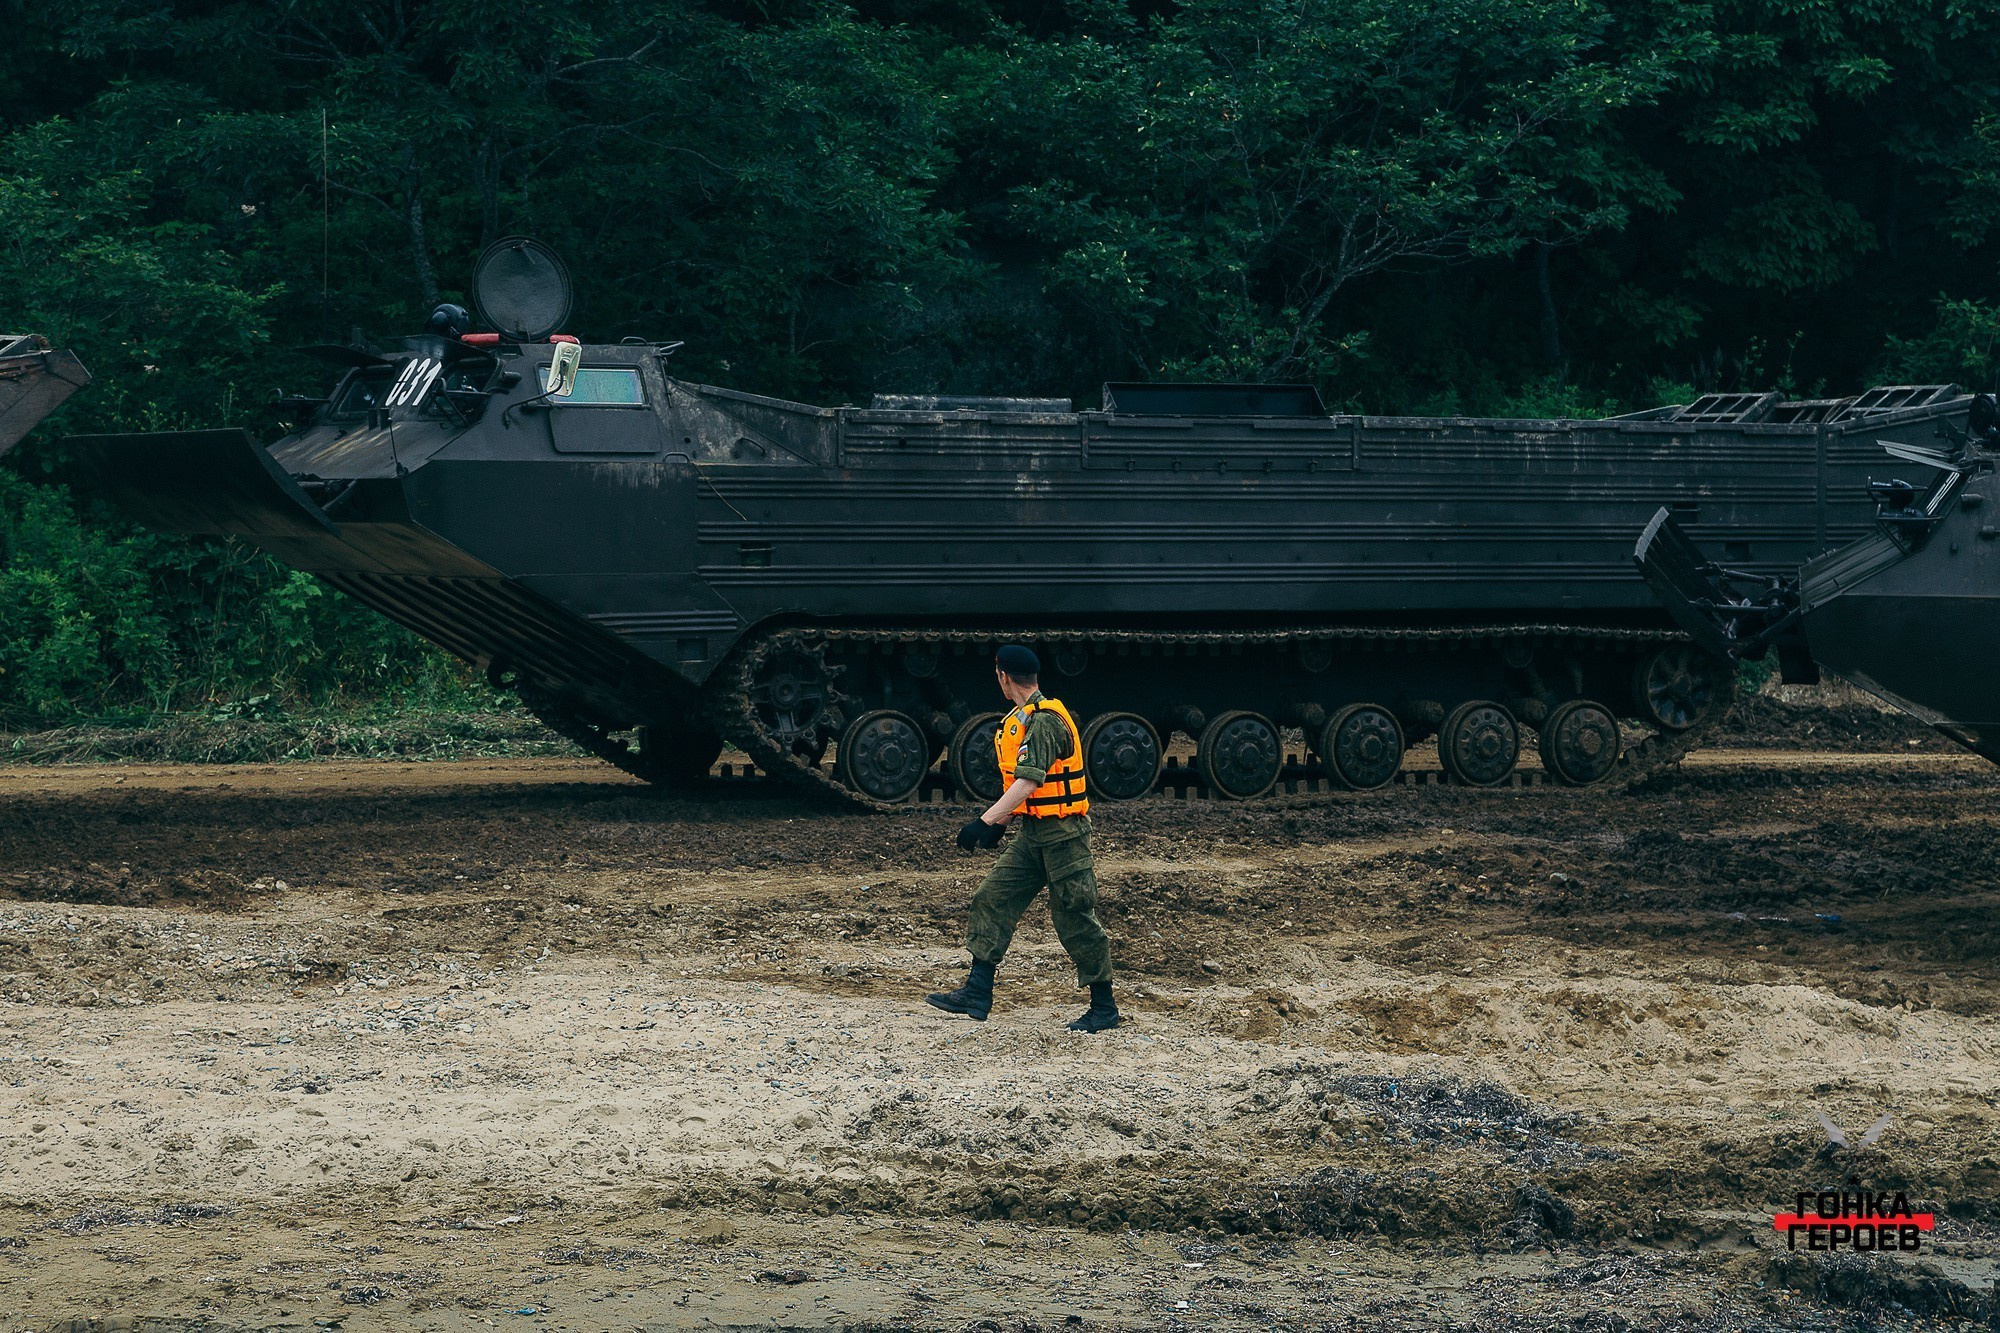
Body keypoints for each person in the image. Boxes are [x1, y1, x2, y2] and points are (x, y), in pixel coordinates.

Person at [927, 645, 1120, 1032]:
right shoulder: (1021, 718)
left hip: (1065, 836)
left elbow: (1030, 779)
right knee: (993, 898)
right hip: (1034, 835)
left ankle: (1104, 1007)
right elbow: (1024, 788)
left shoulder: (1045, 721)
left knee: (1074, 917)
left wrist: (986, 821)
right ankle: (978, 991)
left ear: (1003, 676)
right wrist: (1003, 825)